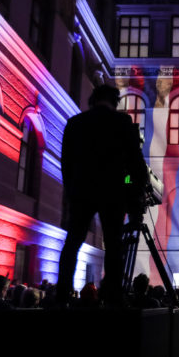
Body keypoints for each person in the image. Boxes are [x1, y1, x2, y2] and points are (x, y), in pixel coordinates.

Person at [57, 85, 148, 306]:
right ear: (115, 102)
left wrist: (71, 191)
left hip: (82, 191)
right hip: (113, 192)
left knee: (72, 242)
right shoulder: (123, 124)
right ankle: (113, 296)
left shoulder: (75, 123)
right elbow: (135, 166)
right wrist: (133, 196)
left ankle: (61, 296)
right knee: (114, 244)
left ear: (93, 99)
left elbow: (66, 165)